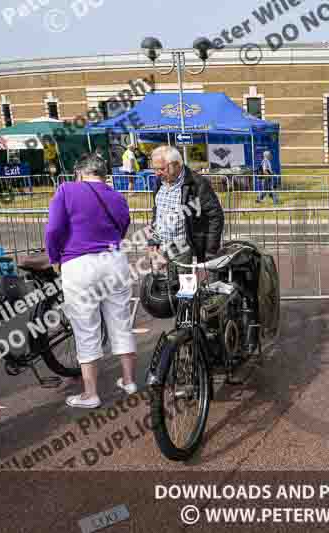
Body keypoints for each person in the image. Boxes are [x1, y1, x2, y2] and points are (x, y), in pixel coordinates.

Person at [45, 153, 137, 409]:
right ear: (103, 173)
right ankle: (129, 381)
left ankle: (91, 393)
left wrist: (55, 257)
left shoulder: (67, 190)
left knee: (86, 328)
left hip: (79, 264)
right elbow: (123, 226)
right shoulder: (117, 196)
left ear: (79, 172)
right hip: (114, 260)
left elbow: (53, 230)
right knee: (121, 321)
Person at [146, 145, 224, 276]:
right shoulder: (160, 181)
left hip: (183, 248)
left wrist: (210, 251)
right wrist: (153, 240)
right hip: (162, 248)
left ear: (176, 165)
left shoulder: (197, 183)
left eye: (161, 168)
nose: (157, 173)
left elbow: (215, 216)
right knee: (163, 289)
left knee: (185, 289)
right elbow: (157, 212)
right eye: (155, 169)